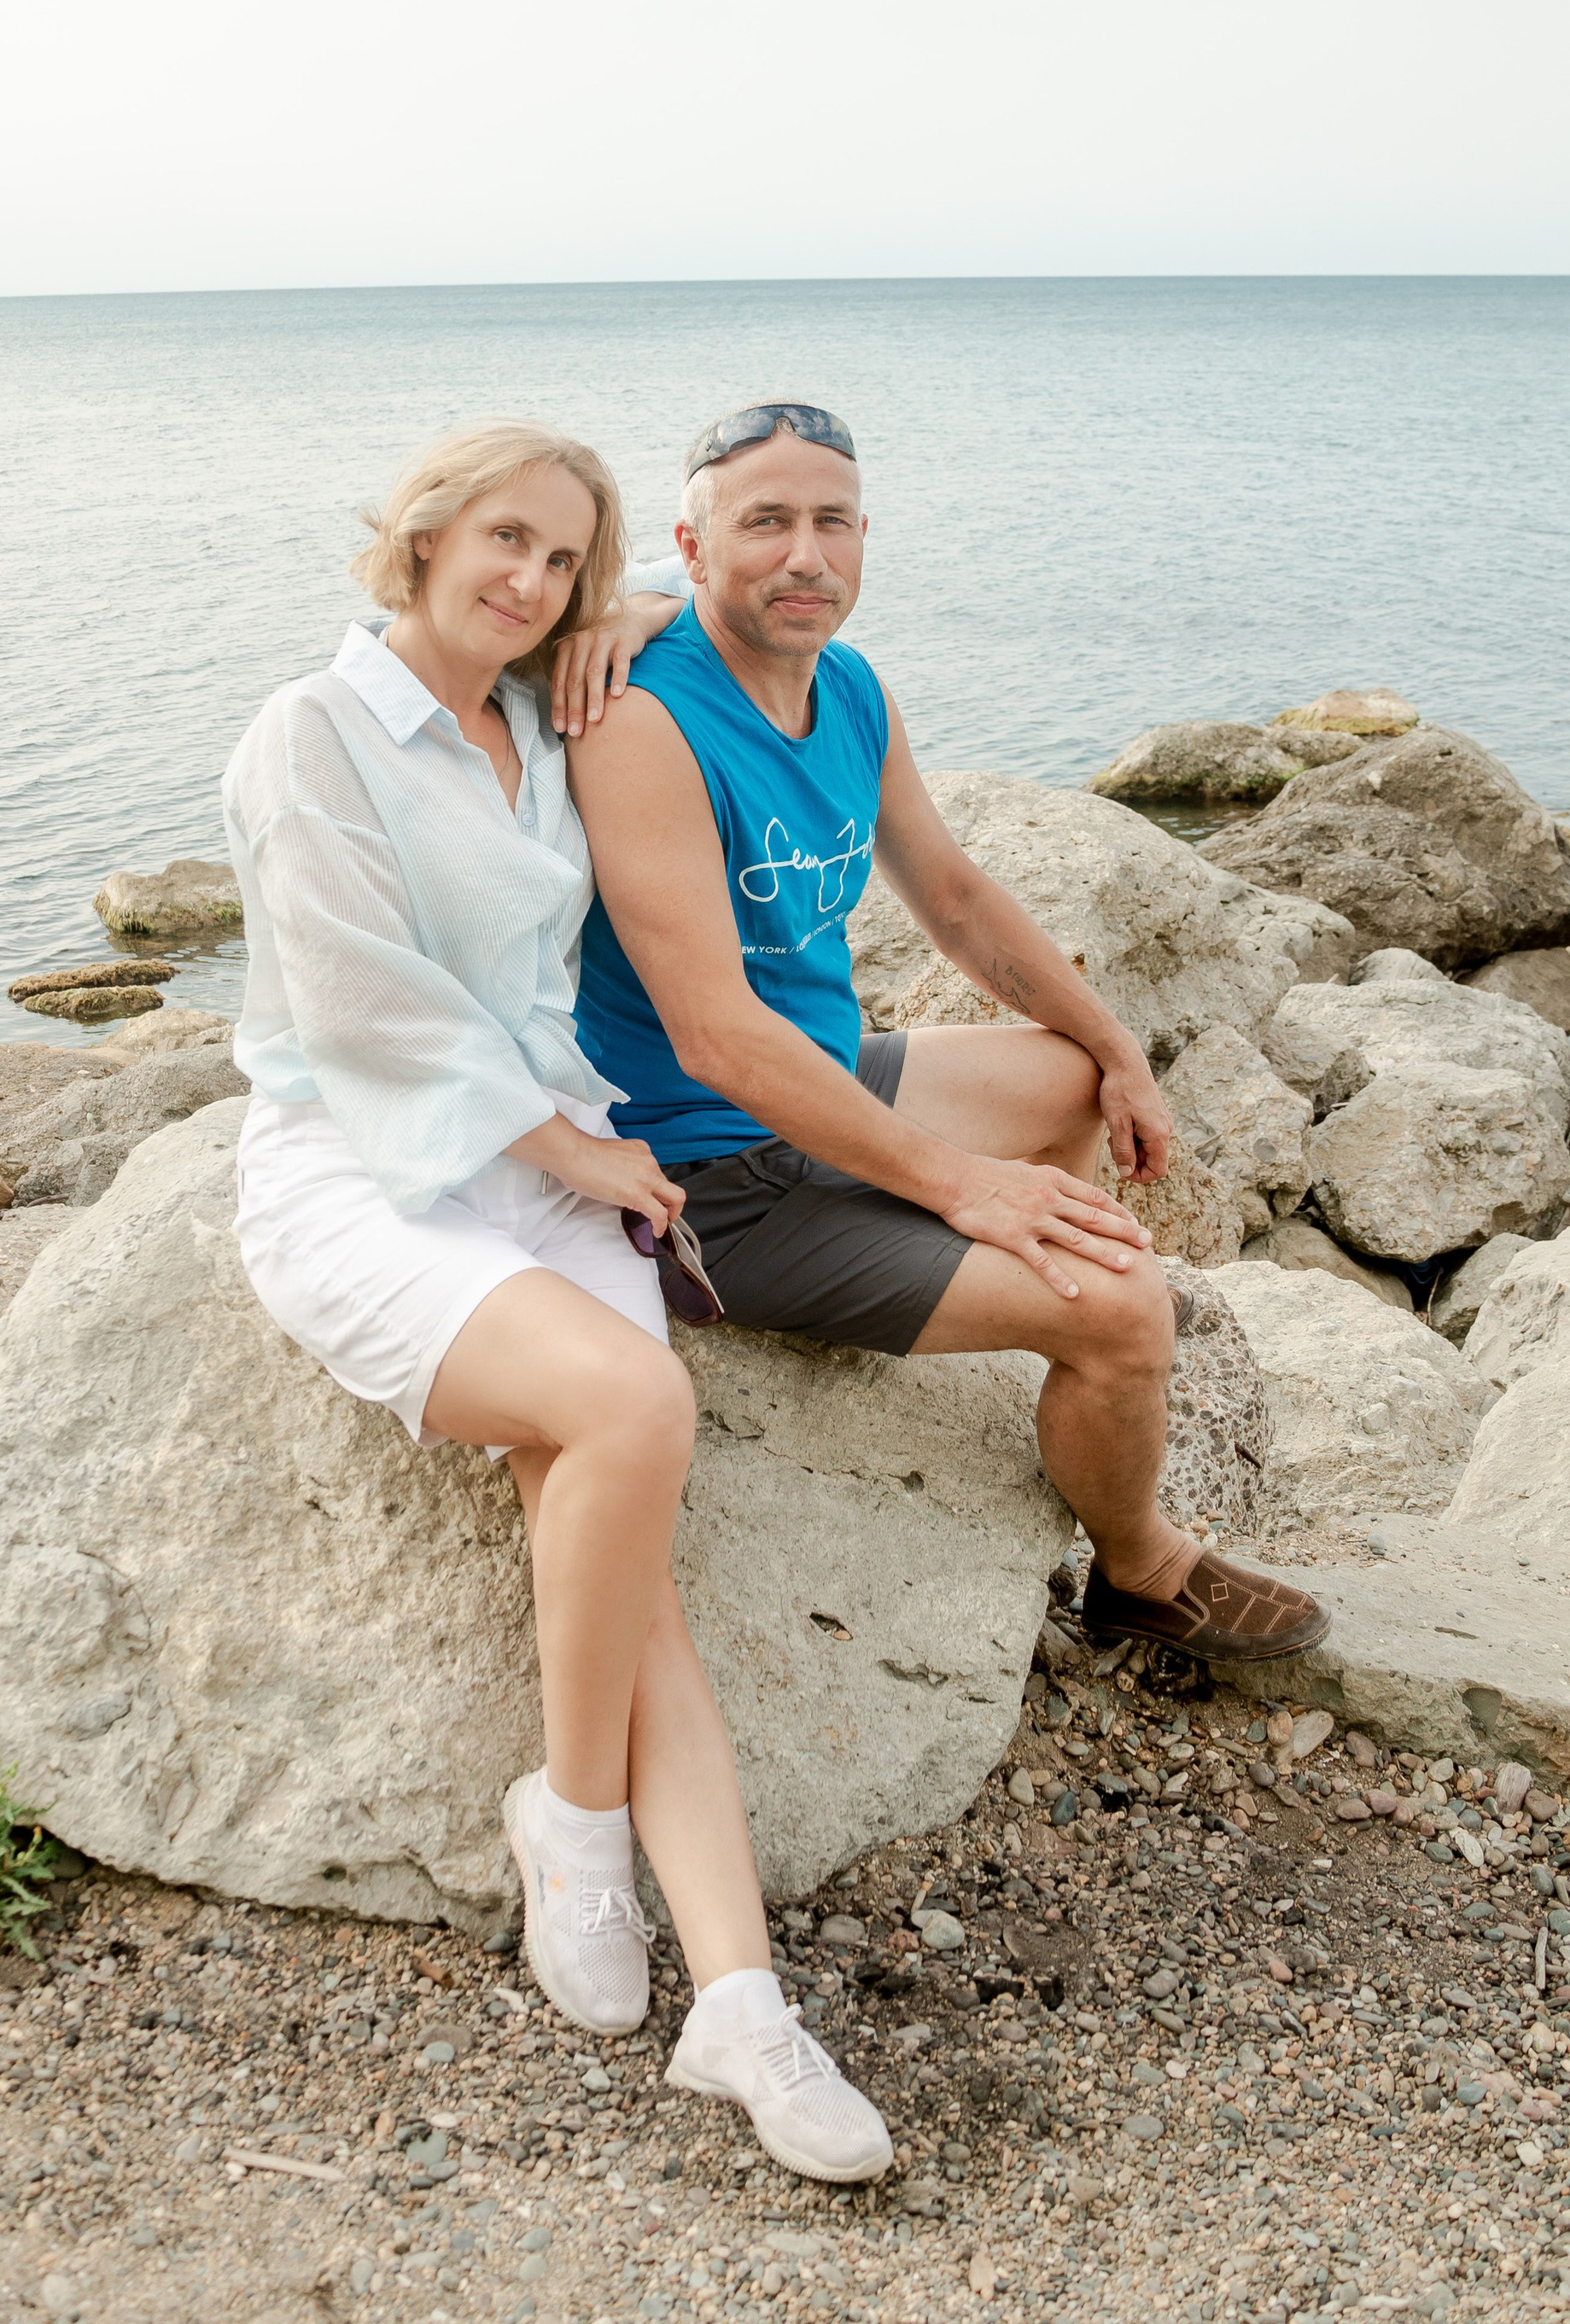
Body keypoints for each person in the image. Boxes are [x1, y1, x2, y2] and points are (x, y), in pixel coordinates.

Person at [221, 419, 895, 2185]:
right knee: (634, 1406)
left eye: (559, 563)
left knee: (621, 1552)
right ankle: (571, 1822)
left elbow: (732, 585)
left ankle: (743, 2010)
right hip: (370, 1170)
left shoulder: (539, 715)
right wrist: (571, 1151)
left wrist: (644, 594)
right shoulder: (311, 733)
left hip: (548, 1163)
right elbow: (358, 1004)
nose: (525, 582)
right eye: (500, 543)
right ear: (423, 533)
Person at [570, 400, 1330, 1667]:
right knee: (1130, 1308)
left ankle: (1027, 1302)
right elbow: (714, 1038)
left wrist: (1122, 1049)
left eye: (830, 522)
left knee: (1069, 1080)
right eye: (764, 523)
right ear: (692, 553)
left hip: (826, 1091)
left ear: (864, 540)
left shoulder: (852, 688)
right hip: (709, 1178)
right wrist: (967, 1190)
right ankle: (1140, 1571)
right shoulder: (647, 722)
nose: (803, 555)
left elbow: (960, 899)